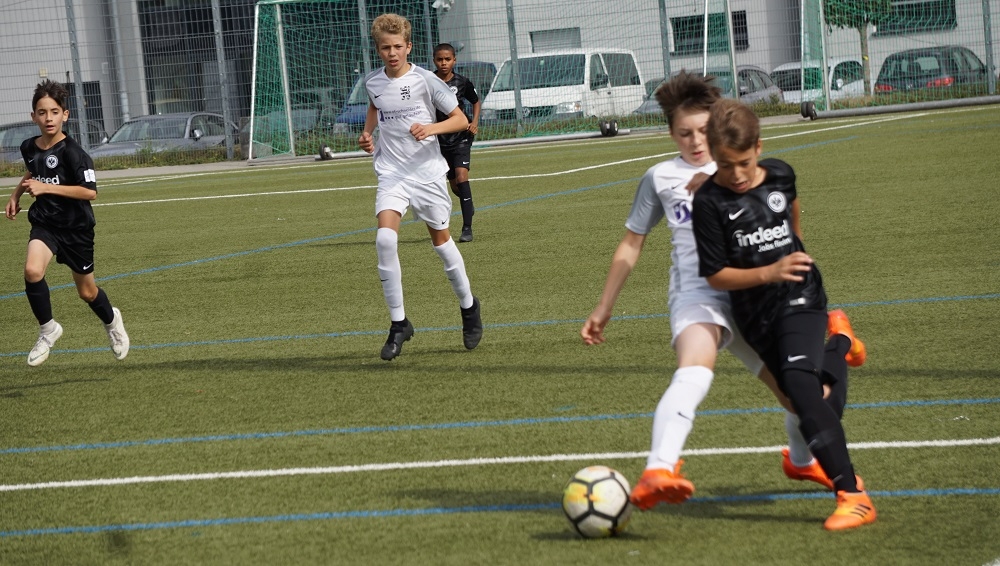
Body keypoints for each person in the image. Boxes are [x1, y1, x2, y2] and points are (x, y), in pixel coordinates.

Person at [581, 71, 837, 513]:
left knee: (799, 395)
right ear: (671, 133)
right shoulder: (661, 177)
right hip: (698, 295)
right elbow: (631, 243)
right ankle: (659, 469)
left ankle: (800, 460)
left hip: (753, 299)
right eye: (685, 133)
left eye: (703, 131)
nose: (695, 141)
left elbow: (785, 216)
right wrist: (604, 306)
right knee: (696, 369)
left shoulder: (739, 167)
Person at [691, 97, 874, 531]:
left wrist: (793, 252)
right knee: (807, 400)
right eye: (724, 165)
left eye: (743, 163)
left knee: (798, 383)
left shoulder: (780, 174)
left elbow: (791, 212)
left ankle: (852, 495)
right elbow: (716, 275)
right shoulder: (709, 202)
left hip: (801, 296)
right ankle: (841, 341)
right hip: (756, 314)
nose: (736, 174)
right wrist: (768, 271)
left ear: (758, 147)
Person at [358, 14, 482, 361]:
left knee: (442, 244)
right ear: (378, 49)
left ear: (408, 47)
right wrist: (367, 135)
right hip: (392, 173)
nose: (392, 53)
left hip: (427, 174)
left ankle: (469, 306)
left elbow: (459, 119)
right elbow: (376, 107)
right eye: (386, 48)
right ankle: (399, 323)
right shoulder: (373, 82)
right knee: (385, 240)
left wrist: (430, 129)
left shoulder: (426, 80)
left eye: (398, 47)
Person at [4, 79, 130, 366]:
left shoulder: (75, 153)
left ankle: (112, 322)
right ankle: (48, 330)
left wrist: (47, 188)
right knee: (32, 270)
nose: (48, 118)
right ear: (33, 116)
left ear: (65, 114)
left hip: (76, 229)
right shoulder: (28, 147)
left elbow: (90, 192)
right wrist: (15, 195)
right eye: (42, 112)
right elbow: (32, 172)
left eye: (54, 112)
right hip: (46, 224)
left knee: (87, 292)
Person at [432, 43, 480, 243]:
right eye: (439, 59)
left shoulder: (462, 82)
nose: (444, 63)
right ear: (434, 60)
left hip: (461, 136)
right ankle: (468, 203)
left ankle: (467, 228)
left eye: (447, 59)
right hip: (439, 139)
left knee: (461, 177)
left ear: (454, 60)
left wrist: (474, 122)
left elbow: (475, 101)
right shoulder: (428, 82)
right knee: (454, 185)